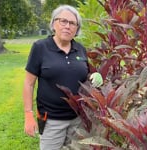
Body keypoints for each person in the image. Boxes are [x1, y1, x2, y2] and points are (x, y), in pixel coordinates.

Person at [23, 4, 103, 150]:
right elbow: (28, 84)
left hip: (79, 119)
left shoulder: (80, 49)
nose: (67, 26)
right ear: (54, 23)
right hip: (50, 120)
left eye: (72, 23)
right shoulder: (40, 47)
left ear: (77, 29)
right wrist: (28, 114)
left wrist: (94, 75)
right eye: (63, 21)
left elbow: (84, 73)